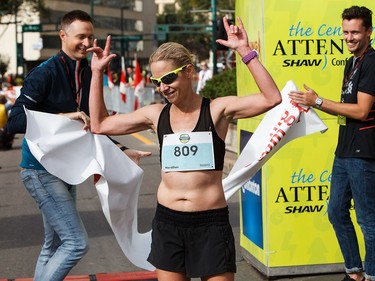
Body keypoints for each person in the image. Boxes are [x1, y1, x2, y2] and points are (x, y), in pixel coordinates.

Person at [88, 16, 281, 281]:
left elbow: (272, 98)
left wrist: (244, 52)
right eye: (157, 82)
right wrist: (96, 72)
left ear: (188, 71)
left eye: (168, 78)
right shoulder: (155, 114)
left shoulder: (217, 110)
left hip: (211, 224)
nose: (163, 87)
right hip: (168, 223)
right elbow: (99, 124)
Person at [6, 10, 150, 280]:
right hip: (40, 171)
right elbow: (14, 122)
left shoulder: (88, 72)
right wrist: (62, 117)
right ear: (63, 35)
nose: (87, 42)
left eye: (91, 36)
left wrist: (122, 151)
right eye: (80, 36)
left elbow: (97, 125)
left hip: (66, 171)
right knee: (76, 243)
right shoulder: (43, 74)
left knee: (55, 245)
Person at [289, 6, 375, 281]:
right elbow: (346, 109)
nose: (349, 37)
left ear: (369, 33)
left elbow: (361, 111)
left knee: (368, 222)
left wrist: (317, 101)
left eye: (355, 32)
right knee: (336, 211)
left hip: (364, 153)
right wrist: (315, 110)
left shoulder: (372, 62)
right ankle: (355, 273)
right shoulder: (351, 63)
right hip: (345, 150)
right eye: (345, 32)